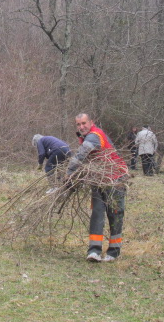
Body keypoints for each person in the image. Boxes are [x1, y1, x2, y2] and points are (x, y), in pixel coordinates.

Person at [66, 113, 128, 263]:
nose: (81, 127)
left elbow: (80, 156)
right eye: (78, 124)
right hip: (99, 179)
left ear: (91, 122)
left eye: (84, 123)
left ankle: (114, 252)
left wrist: (68, 175)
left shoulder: (94, 136)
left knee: (115, 213)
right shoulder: (86, 137)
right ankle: (94, 251)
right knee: (97, 213)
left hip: (115, 178)